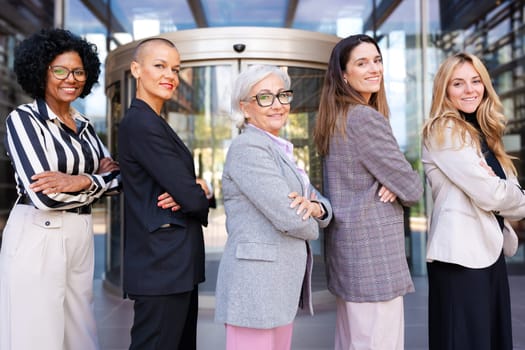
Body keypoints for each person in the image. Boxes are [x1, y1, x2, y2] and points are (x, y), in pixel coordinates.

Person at [0, 28, 120, 350]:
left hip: (80, 232)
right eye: (60, 70)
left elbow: (118, 178)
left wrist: (81, 180)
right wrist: (97, 179)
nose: (71, 78)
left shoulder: (85, 126)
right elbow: (45, 195)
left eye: (79, 71)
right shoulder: (24, 120)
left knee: (80, 332)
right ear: (41, 72)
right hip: (39, 233)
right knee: (37, 334)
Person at [313, 34, 423, 350]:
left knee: (353, 342)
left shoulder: (335, 119)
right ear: (343, 74)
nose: (374, 68)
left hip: (350, 254)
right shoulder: (364, 118)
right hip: (373, 258)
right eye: (362, 63)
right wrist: (397, 182)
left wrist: (394, 181)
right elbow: (413, 189)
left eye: (377, 60)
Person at [214, 64, 333, 350]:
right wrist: (311, 219)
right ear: (245, 108)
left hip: (278, 286)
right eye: (265, 97)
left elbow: (320, 202)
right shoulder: (248, 148)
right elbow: (291, 217)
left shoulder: (280, 150)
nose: (277, 105)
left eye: (283, 95)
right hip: (255, 287)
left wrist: (317, 209)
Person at [421, 52, 525, 350]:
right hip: (461, 258)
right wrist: (504, 193)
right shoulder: (444, 130)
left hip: (488, 252)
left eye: (476, 80)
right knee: (464, 340)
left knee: (490, 339)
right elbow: (492, 193)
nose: (470, 89)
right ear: (445, 90)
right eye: (458, 83)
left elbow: (511, 194)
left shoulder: (484, 134)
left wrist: (506, 193)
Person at [118, 37, 209, 350]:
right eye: (159, 65)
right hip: (161, 267)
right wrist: (193, 191)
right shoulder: (141, 123)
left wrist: (195, 187)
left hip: (173, 265)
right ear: (136, 70)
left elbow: (191, 191)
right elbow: (192, 197)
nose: (170, 74)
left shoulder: (155, 121)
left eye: (175, 68)